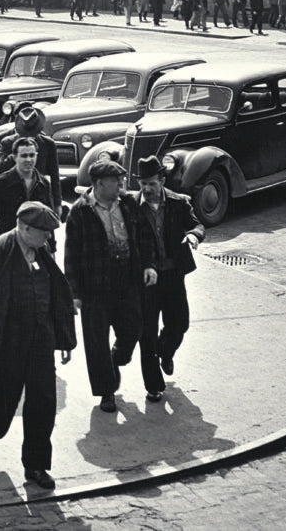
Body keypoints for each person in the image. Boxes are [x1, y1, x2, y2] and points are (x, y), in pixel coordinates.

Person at [0, 201, 76, 491]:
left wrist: (63, 339)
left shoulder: (42, 250)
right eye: (43, 232)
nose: (48, 238)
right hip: (8, 343)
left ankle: (36, 466)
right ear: (24, 229)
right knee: (6, 401)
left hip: (41, 340)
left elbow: (56, 295)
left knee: (43, 404)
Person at [65, 160, 156, 413]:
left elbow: (144, 235)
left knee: (133, 329)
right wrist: (74, 294)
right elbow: (70, 254)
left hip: (127, 279)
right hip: (94, 285)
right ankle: (106, 392)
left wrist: (148, 265)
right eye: (116, 181)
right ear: (99, 184)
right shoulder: (80, 211)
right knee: (96, 342)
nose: (121, 185)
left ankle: (117, 358)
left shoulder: (127, 203)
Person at [134, 156, 204, 402]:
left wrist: (194, 236)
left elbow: (197, 225)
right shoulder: (132, 206)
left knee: (180, 324)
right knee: (147, 333)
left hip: (173, 275)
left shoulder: (178, 202)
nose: (147, 189)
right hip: (147, 279)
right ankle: (153, 385)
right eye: (143, 184)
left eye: (151, 183)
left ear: (162, 180)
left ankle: (166, 352)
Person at [0, 106, 61, 215]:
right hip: (12, 192)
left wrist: (57, 204)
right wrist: (18, 150)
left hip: (37, 191)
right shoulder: (6, 141)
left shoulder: (48, 144)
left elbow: (55, 175)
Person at [0, 136, 54, 240]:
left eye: (32, 155)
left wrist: (51, 248)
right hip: (10, 243)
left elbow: (48, 220)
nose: (28, 159)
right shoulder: (1, 183)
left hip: (37, 244)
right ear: (15, 157)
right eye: (24, 156)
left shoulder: (44, 184)